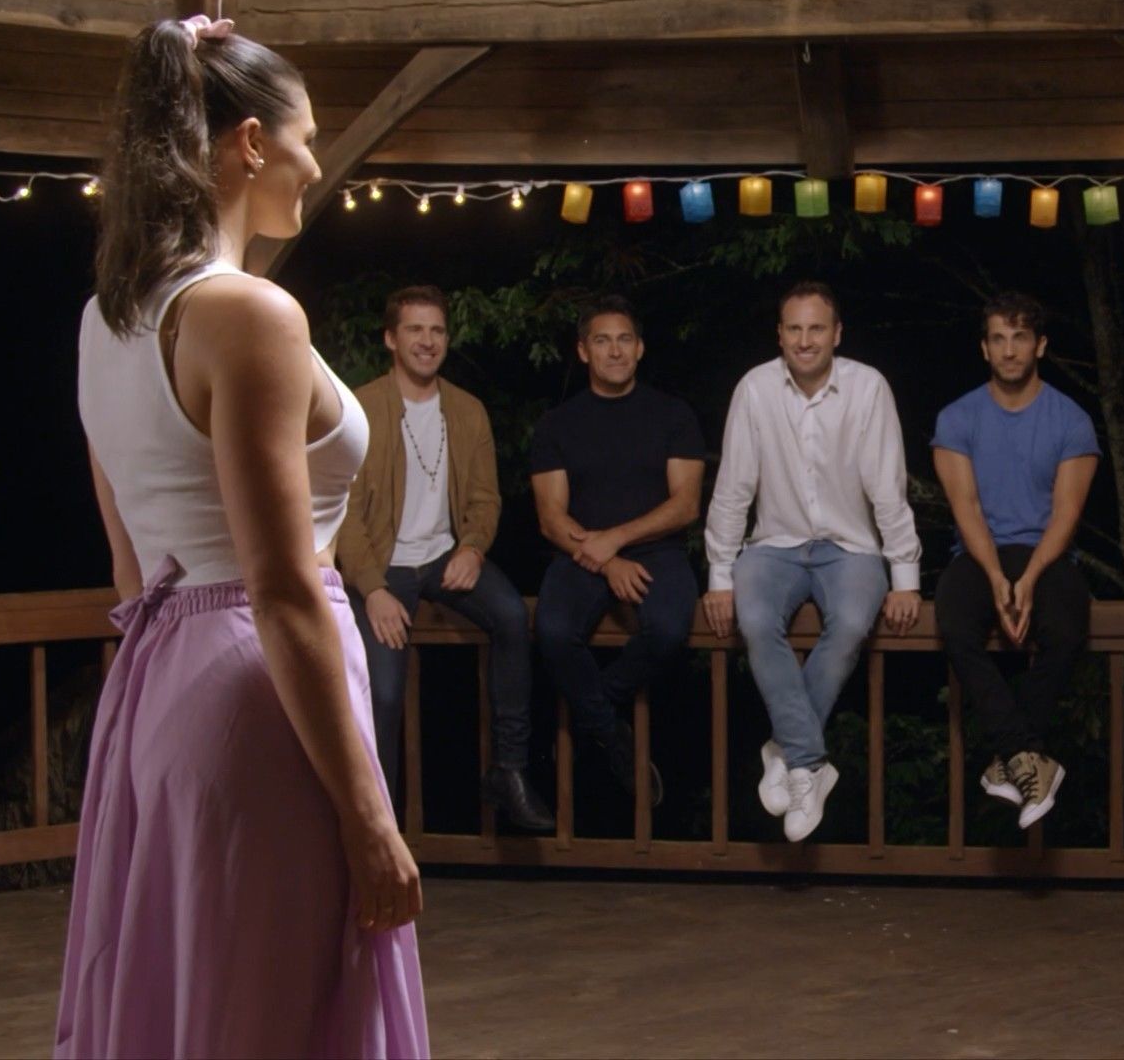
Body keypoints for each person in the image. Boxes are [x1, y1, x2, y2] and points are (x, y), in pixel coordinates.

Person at [62, 15, 427, 1057]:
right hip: (260, 691)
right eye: (308, 138)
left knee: (200, 993)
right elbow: (280, 586)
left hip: (159, 692)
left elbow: (129, 564)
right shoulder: (247, 314)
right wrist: (369, 817)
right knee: (279, 1008)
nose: (316, 163)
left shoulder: (107, 318)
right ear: (252, 143)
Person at [702, 281, 923, 842]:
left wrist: (904, 574)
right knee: (755, 620)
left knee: (849, 623)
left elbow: (888, 487)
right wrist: (720, 574)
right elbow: (733, 487)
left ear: (837, 334)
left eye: (816, 328)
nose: (805, 340)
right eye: (795, 329)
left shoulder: (868, 387)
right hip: (773, 544)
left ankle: (787, 751)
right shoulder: (755, 388)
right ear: (780, 335)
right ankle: (809, 763)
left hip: (850, 547)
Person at [336, 285, 548, 831]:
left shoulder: (467, 411)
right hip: (383, 566)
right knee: (384, 692)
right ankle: (377, 826)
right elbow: (343, 511)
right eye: (415, 329)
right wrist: (372, 588)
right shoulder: (360, 408)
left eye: (436, 330)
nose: (427, 341)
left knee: (511, 616)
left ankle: (509, 770)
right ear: (391, 339)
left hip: (442, 557)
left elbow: (485, 498)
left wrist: (473, 548)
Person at [931, 292, 1098, 829]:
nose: (1009, 350)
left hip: (1046, 554)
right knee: (954, 621)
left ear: (1039, 346)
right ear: (984, 348)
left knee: (1067, 628)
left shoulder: (1071, 421)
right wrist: (997, 576)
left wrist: (1028, 578)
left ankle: (1011, 760)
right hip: (979, 551)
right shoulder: (957, 418)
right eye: (998, 339)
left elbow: (1066, 513)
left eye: (1020, 338)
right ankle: (1028, 756)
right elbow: (966, 508)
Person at [530, 296, 705, 806]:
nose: (614, 351)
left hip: (657, 551)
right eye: (602, 341)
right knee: (552, 632)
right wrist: (606, 559)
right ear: (583, 351)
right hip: (582, 552)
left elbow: (686, 505)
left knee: (668, 630)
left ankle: (591, 713)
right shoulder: (557, 425)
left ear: (640, 348)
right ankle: (612, 737)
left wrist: (618, 539)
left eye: (624, 339)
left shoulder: (673, 415)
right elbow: (550, 518)